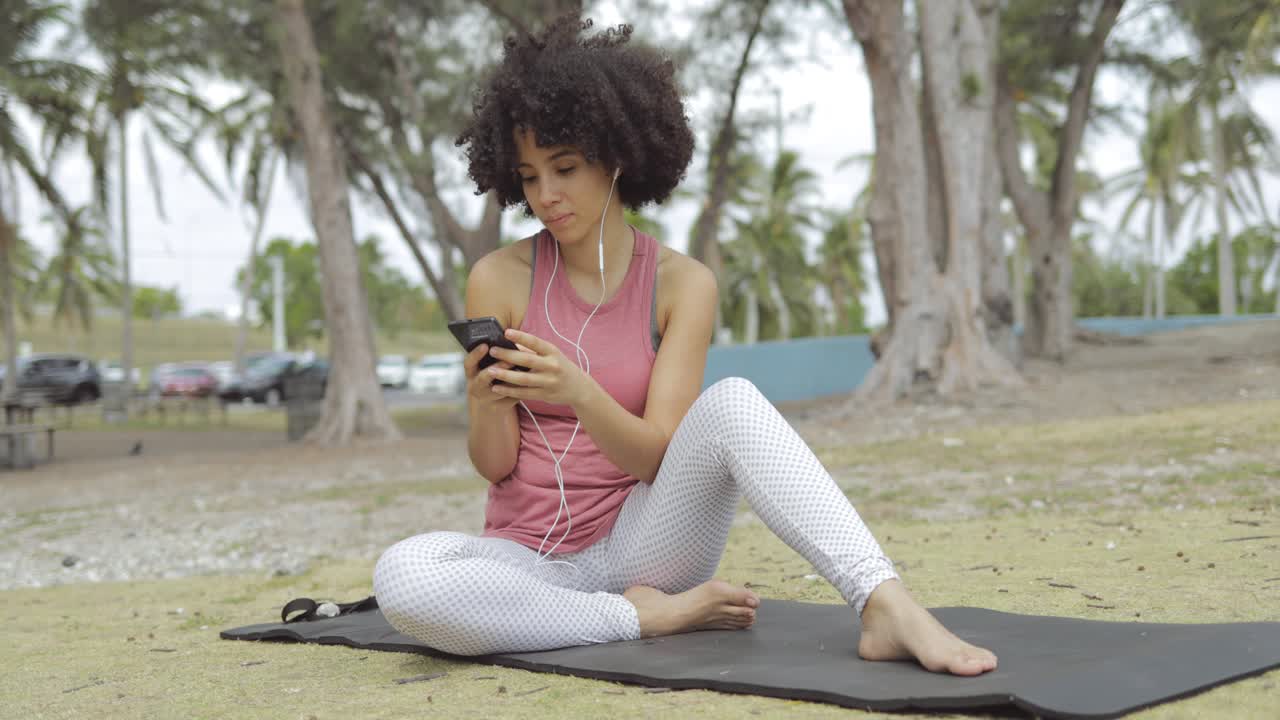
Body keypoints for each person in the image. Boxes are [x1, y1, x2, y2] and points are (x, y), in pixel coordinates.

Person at [373, 13, 997, 676]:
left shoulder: (681, 284)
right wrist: (487, 401)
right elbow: (495, 466)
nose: (547, 195)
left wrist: (577, 391)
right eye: (529, 176)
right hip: (528, 560)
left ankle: (883, 602)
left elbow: (656, 459)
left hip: (647, 544)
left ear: (616, 157)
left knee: (731, 403)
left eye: (565, 168)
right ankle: (641, 618)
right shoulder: (497, 278)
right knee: (404, 576)